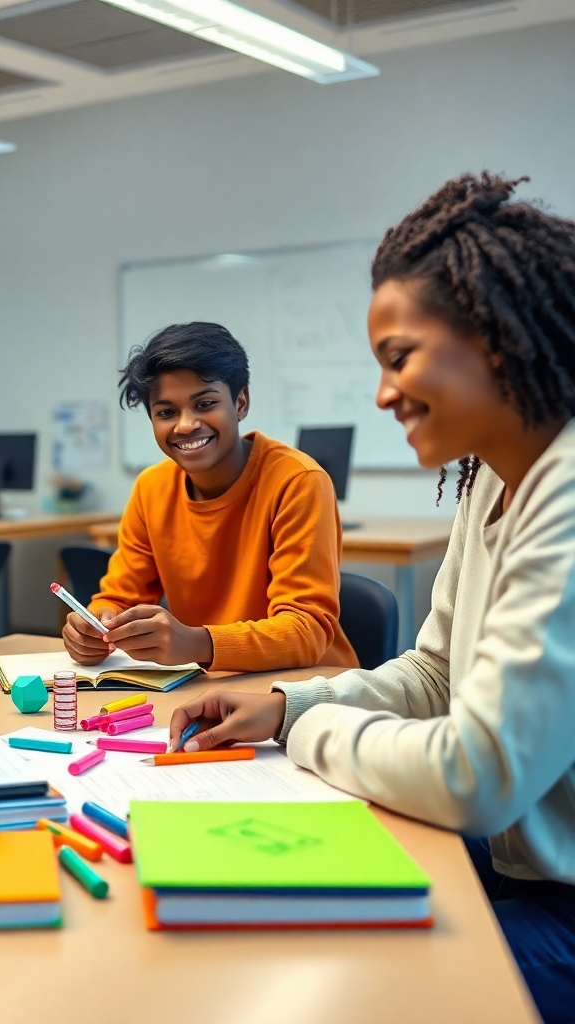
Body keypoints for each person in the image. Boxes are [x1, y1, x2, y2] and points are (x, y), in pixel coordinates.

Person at [168, 174, 575, 1023]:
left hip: (561, 897)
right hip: (517, 862)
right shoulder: (492, 482)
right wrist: (283, 704)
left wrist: (310, 728)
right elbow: (433, 676)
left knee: (350, 991)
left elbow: (480, 774)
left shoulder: (565, 495)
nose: (384, 393)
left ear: (495, 337)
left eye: (400, 358)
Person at [63, 321, 357, 673]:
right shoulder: (151, 488)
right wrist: (96, 626)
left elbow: (306, 631)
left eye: (205, 404)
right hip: (211, 684)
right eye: (166, 412)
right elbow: (120, 598)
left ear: (241, 402)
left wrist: (195, 643)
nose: (186, 425)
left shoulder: (298, 481)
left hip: (308, 688)